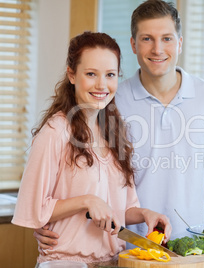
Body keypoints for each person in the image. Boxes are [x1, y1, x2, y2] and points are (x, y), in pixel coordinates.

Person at [34, 0, 204, 249]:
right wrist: (43, 221)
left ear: (180, 43)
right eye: (147, 38)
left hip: (191, 242)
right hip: (124, 244)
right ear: (133, 44)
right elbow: (71, 168)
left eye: (167, 39)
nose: (158, 49)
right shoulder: (109, 100)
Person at [11, 31, 172, 265]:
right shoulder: (56, 131)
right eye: (90, 74)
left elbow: (120, 210)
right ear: (72, 75)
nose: (101, 85)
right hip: (65, 262)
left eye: (110, 75)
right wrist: (86, 200)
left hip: (113, 261)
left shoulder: (115, 133)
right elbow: (32, 207)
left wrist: (146, 214)